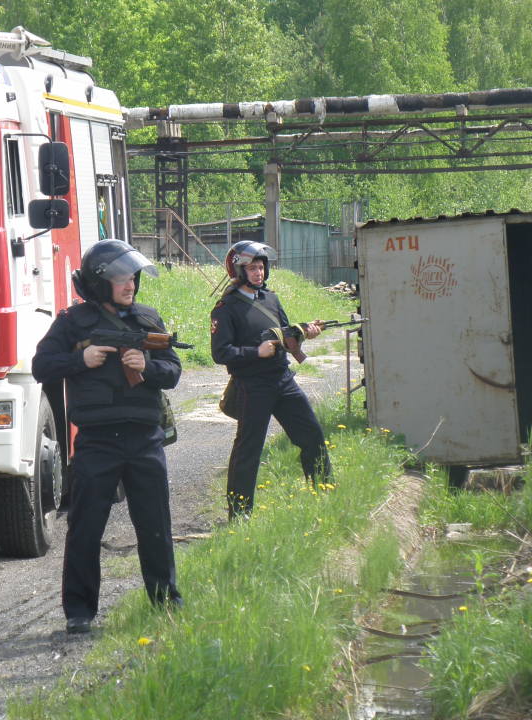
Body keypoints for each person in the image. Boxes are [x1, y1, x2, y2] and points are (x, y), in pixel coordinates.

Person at [32, 240, 183, 634]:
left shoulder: (149, 319)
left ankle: (166, 601)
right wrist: (79, 360)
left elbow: (173, 369)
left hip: (145, 437)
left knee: (155, 524)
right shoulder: (72, 323)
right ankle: (79, 612)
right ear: (100, 283)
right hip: (98, 441)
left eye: (132, 276)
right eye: (119, 277)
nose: (129, 284)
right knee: (85, 527)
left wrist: (147, 366)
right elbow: (41, 365)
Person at [210, 240, 331, 520]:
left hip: (283, 379)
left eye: (261, 267)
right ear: (239, 270)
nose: (259, 273)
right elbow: (220, 352)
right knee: (248, 450)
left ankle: (324, 493)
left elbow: (286, 337)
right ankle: (239, 516)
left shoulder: (271, 299)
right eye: (252, 268)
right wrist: (256, 352)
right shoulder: (225, 308)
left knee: (312, 435)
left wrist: (305, 333)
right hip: (252, 386)